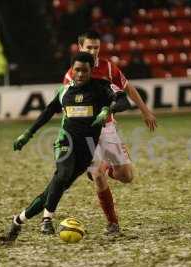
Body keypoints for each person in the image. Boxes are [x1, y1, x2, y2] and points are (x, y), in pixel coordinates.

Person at [0, 52, 131, 244]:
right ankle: (46, 220)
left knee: (53, 190)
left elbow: (123, 100)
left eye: (84, 70)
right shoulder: (64, 92)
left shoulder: (102, 87)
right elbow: (47, 113)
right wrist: (27, 134)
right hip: (64, 143)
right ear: (71, 70)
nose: (80, 74)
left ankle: (18, 221)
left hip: (86, 152)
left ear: (91, 70)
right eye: (76, 70)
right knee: (63, 174)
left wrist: (107, 109)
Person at [63, 31, 157, 235]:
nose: (93, 51)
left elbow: (127, 88)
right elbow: (66, 106)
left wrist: (145, 111)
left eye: (96, 47)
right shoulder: (72, 74)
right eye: (89, 47)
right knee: (96, 174)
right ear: (80, 48)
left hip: (107, 127)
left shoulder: (107, 67)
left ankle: (105, 167)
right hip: (85, 133)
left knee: (126, 176)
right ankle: (113, 223)